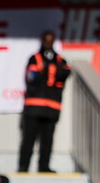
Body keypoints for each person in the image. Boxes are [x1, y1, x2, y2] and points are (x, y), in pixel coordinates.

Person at [18, 31, 71, 173]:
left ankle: (44, 166)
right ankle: (23, 166)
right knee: (28, 139)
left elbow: (65, 73)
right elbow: (31, 77)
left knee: (47, 140)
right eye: (46, 40)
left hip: (51, 108)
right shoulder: (35, 58)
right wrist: (48, 72)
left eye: (50, 40)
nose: (48, 43)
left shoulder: (60, 60)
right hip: (34, 107)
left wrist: (47, 71)